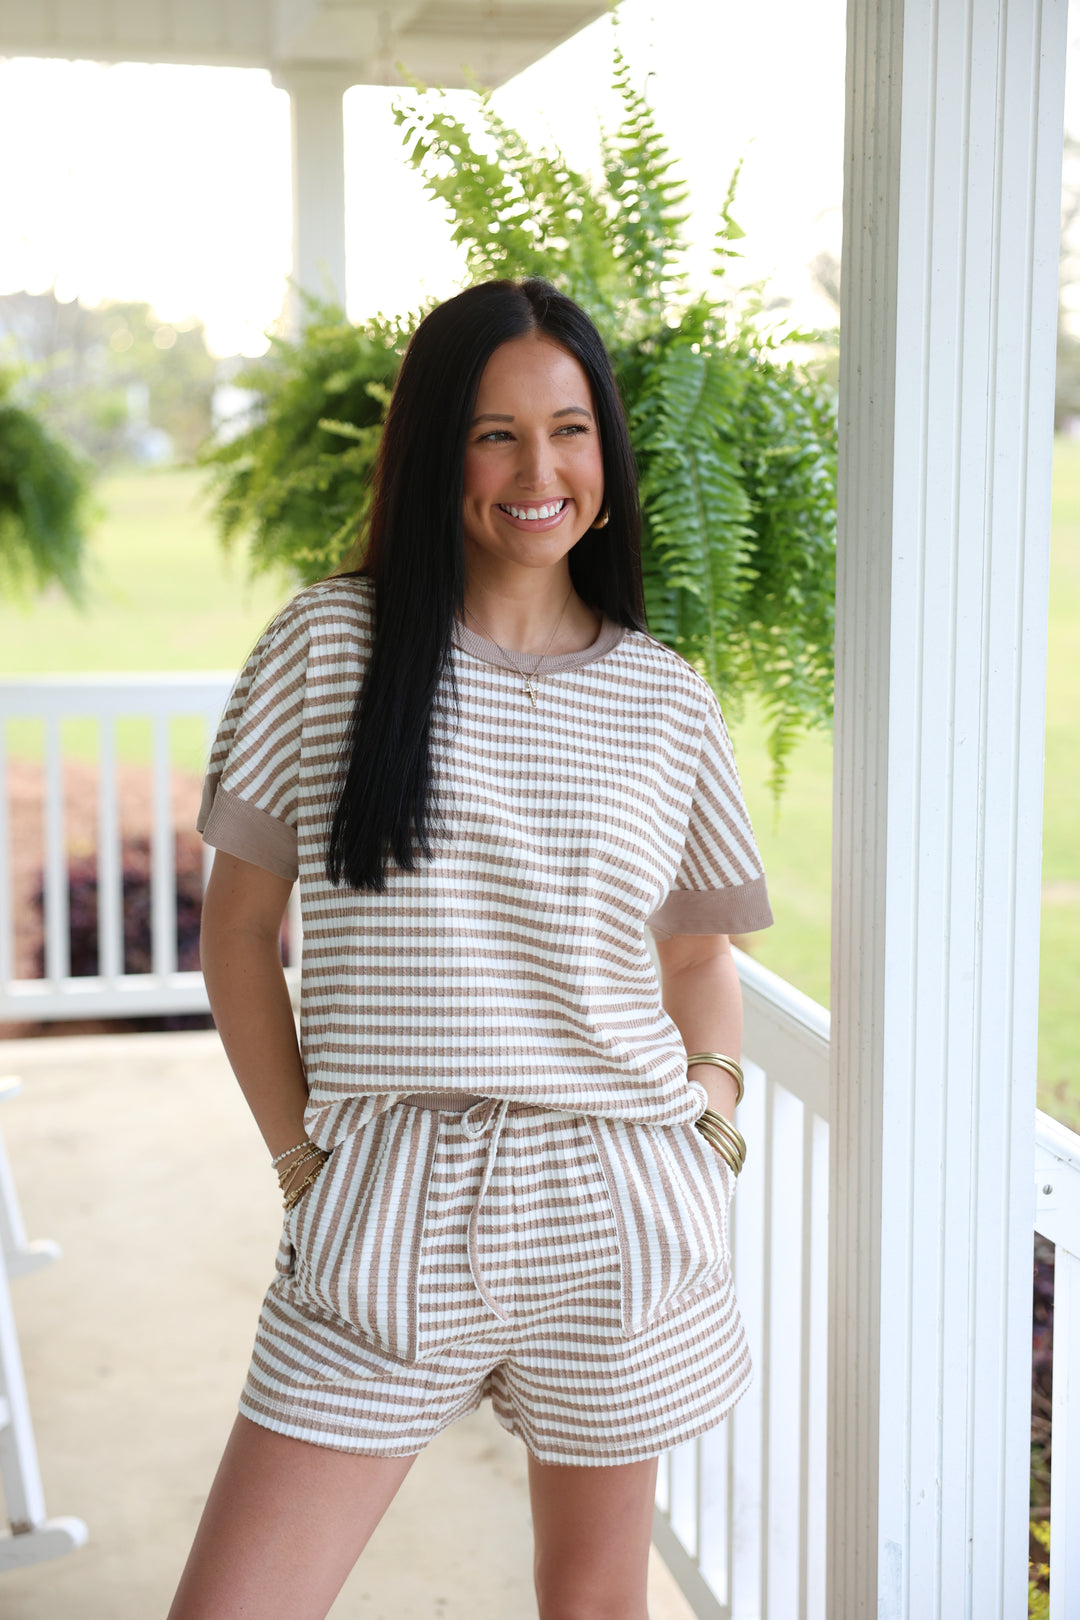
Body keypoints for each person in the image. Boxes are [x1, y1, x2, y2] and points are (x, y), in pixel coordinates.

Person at [167, 277, 772, 1620]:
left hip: (617, 1205)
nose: (536, 469)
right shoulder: (330, 648)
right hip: (389, 1201)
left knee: (595, 1602)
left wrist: (709, 1133)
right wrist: (300, 1160)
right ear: (438, 451)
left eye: (568, 428)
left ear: (606, 458)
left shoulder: (665, 698)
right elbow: (241, 932)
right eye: (494, 433)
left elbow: (697, 960)